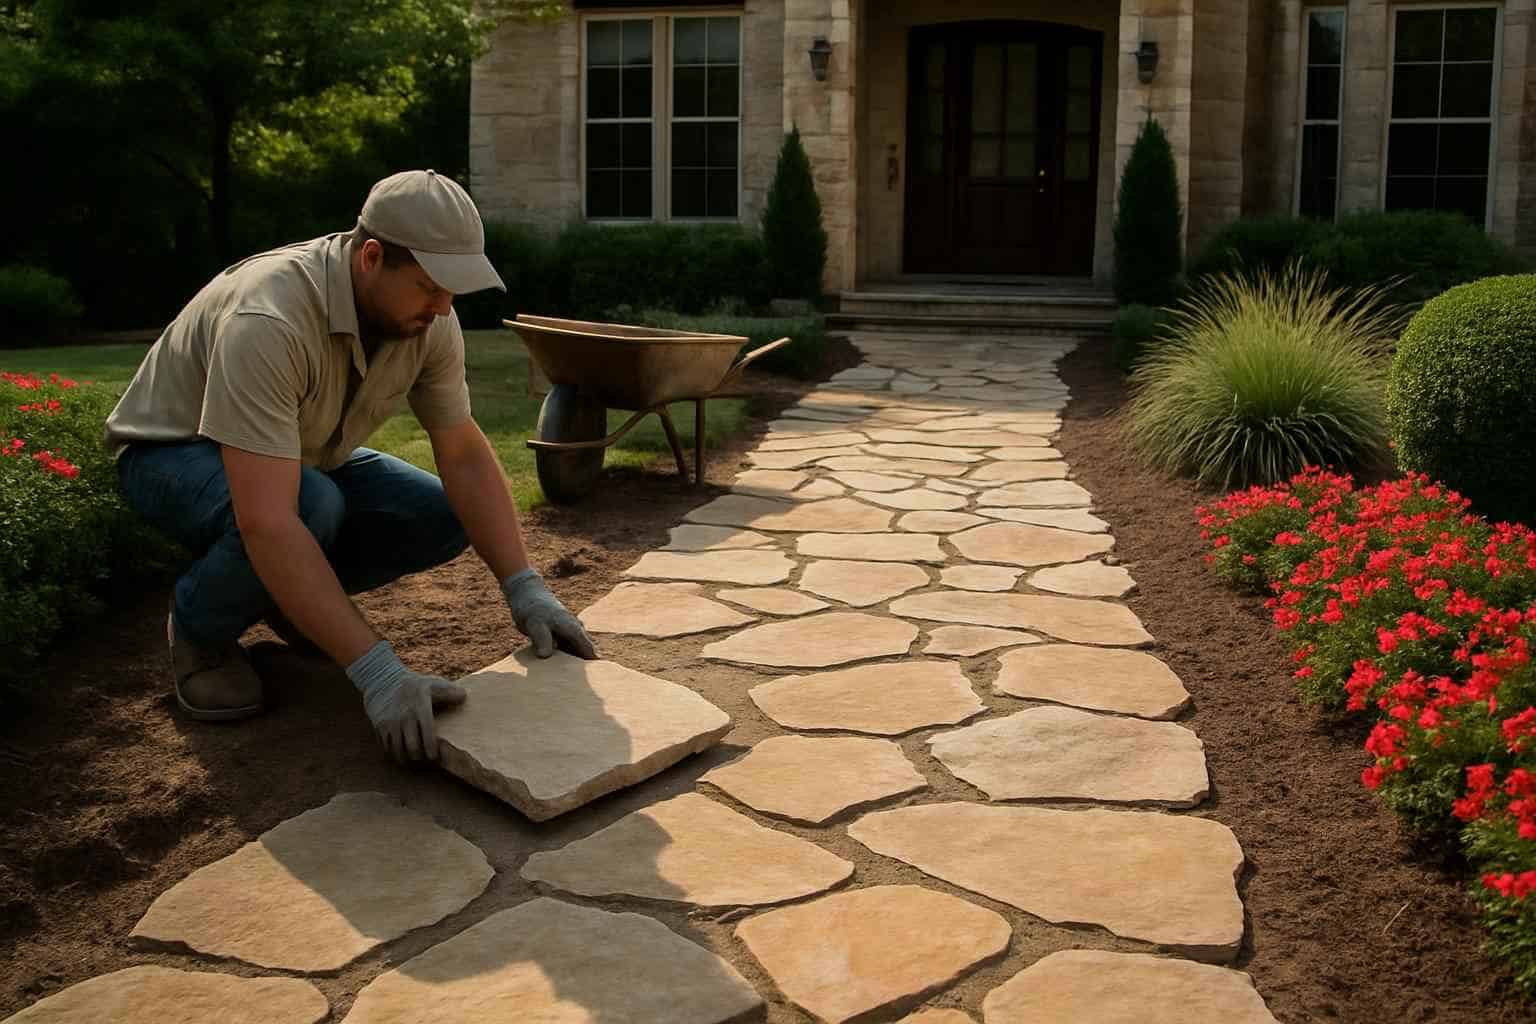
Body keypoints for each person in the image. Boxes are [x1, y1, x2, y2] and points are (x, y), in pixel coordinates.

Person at [104, 169, 596, 762]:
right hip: (169, 454)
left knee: (438, 514)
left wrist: (525, 586)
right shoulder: (269, 318)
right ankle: (198, 632)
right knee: (310, 505)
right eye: (430, 286)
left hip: (299, 454)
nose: (444, 307)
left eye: (453, 289)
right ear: (371, 258)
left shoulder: (428, 319)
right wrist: (378, 673)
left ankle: (290, 600)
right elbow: (268, 520)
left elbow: (464, 454)